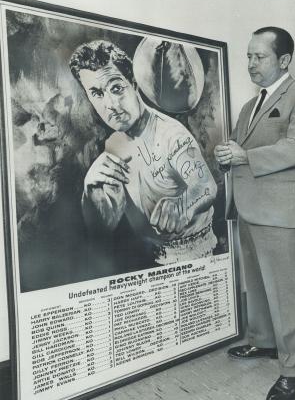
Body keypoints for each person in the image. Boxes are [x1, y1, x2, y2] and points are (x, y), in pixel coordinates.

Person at [214, 27, 295, 400]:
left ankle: (294, 370)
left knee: (290, 294)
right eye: (248, 56)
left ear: (283, 60)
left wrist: (245, 156)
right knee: (260, 287)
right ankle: (263, 342)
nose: (250, 64)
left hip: (284, 213)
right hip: (249, 207)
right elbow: (241, 150)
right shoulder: (249, 107)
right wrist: (227, 155)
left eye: (258, 57)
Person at [69, 40, 217, 267]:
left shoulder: (171, 133)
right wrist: (90, 196)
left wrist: (182, 205)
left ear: (134, 84)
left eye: (116, 88)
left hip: (196, 257)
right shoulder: (112, 145)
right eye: (97, 93)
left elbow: (206, 185)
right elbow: (106, 225)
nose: (111, 104)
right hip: (147, 259)